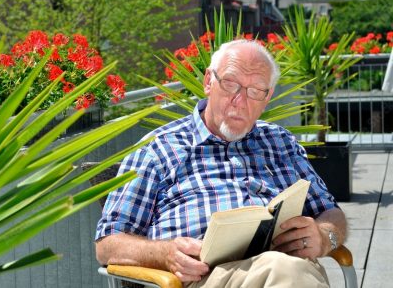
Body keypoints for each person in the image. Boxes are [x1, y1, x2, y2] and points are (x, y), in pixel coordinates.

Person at [95, 40, 347, 287]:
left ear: (267, 97)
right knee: (285, 272)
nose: (240, 100)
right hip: (205, 278)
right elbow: (107, 244)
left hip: (288, 268)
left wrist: (326, 235)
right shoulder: (158, 148)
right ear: (208, 82)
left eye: (255, 91)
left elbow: (330, 211)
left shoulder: (281, 143)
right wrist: (165, 254)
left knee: (286, 269)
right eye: (230, 84)